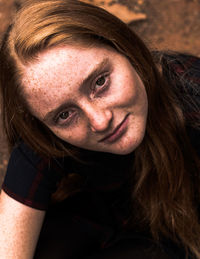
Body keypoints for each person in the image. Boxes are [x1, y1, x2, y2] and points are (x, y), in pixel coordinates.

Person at [0, 0, 200, 258]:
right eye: (64, 115)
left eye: (100, 82)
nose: (99, 121)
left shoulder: (193, 96)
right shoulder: (47, 137)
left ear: (125, 47)